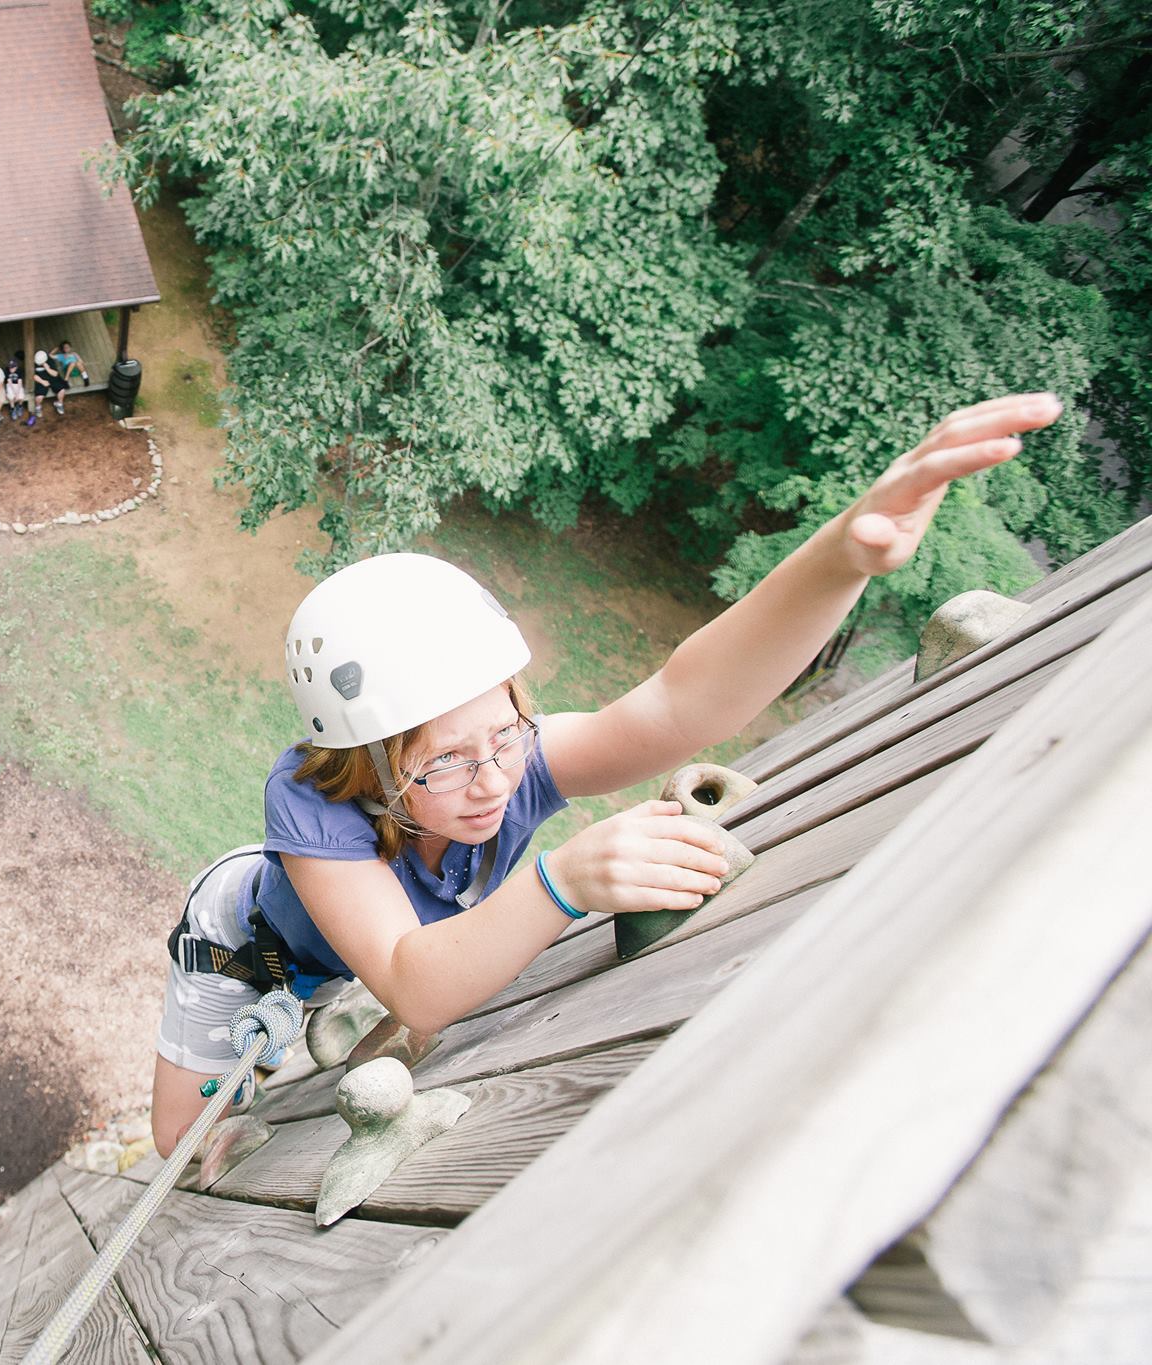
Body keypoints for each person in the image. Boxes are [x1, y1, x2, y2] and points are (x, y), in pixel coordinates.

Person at [147, 392, 1064, 1156]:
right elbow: (410, 977)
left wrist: (840, 559)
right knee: (183, 1142)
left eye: (505, 734)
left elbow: (679, 704)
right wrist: (563, 881)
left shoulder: (515, 761)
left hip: (356, 949)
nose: (493, 780)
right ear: (369, 769)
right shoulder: (315, 802)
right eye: (447, 761)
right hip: (251, 945)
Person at [33, 349, 67, 418]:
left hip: (52, 378)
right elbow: (32, 376)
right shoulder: (33, 363)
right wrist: (42, 382)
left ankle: (59, 404)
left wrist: (47, 369)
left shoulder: (50, 361)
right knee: (39, 397)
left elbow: (55, 374)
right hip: (41, 380)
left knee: (62, 391)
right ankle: (38, 407)